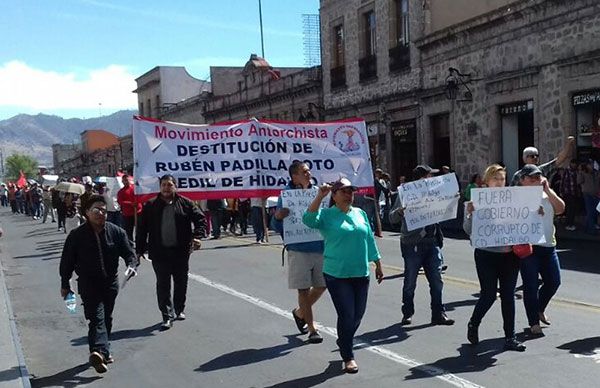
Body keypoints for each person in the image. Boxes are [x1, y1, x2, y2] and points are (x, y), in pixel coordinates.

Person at [303, 178, 383, 374]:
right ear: (335, 195)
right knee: (346, 314)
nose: (349, 195)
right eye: (344, 191)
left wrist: (378, 263)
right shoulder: (327, 215)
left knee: (357, 315)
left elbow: (369, 239)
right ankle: (348, 355)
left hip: (360, 272)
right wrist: (319, 196)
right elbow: (308, 219)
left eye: (351, 191)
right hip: (336, 274)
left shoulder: (360, 213)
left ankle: (343, 339)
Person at [59, 194, 138, 374]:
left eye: (104, 210)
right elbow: (67, 262)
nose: (101, 213)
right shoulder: (76, 236)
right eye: (96, 210)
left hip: (110, 282)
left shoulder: (116, 232)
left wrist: (131, 266)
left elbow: (129, 253)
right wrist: (65, 283)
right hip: (88, 284)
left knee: (106, 317)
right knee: (96, 318)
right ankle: (98, 351)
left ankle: (102, 351)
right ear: (86, 212)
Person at [463, 164, 526, 351]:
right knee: (489, 294)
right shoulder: (476, 201)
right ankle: (474, 323)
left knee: (508, 296)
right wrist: (470, 214)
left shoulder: (512, 200)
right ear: (487, 181)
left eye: (502, 179)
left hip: (509, 255)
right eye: (495, 179)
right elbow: (467, 230)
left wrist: (535, 214)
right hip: (486, 255)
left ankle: (510, 337)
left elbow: (524, 220)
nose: (499, 182)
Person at [136, 174, 206, 330]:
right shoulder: (150, 205)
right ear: (160, 187)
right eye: (163, 185)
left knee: (181, 282)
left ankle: (179, 309)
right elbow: (141, 229)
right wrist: (139, 250)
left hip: (181, 251)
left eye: (169, 185)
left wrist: (197, 236)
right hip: (159, 252)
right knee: (163, 284)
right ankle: (166, 316)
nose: (166, 188)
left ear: (175, 186)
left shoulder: (186, 203)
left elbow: (200, 219)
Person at [389, 165, 455, 326]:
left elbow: (446, 211)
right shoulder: (405, 193)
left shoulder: (435, 193)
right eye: (428, 176)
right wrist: (399, 212)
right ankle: (407, 313)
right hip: (412, 244)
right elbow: (391, 218)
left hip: (432, 242)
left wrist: (453, 199)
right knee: (410, 280)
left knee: (437, 281)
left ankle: (439, 313)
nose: (432, 179)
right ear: (421, 178)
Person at [273, 161, 326, 343]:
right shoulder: (286, 195)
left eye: (309, 171)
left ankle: (300, 312)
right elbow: (277, 223)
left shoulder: (318, 191)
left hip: (319, 246)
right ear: (294, 176)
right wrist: (278, 217)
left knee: (322, 285)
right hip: (298, 248)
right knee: (303, 289)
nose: (308, 174)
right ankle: (312, 329)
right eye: (304, 171)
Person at [519, 164, 565, 336]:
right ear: (523, 180)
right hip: (529, 248)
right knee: (530, 286)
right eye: (531, 177)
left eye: (538, 177)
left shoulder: (547, 195)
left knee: (554, 281)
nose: (535, 180)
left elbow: (560, 209)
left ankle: (539, 308)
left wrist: (548, 189)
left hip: (548, 246)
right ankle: (533, 322)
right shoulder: (516, 197)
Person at [510, 136, 575, 186]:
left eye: (537, 155)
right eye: (532, 156)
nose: (535, 157)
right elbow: (511, 192)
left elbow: (559, 160)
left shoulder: (542, 170)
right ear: (525, 158)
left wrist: (568, 144)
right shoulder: (518, 175)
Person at [577, 161, 600, 234]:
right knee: (590, 211)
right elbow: (578, 181)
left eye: (592, 165)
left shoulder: (596, 173)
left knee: (595, 211)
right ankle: (591, 229)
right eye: (590, 165)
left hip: (596, 194)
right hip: (587, 194)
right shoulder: (583, 173)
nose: (591, 166)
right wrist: (580, 172)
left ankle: (586, 227)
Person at [117, 175, 142, 242]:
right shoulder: (121, 192)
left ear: (130, 180)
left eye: (127, 180)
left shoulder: (136, 188)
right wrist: (131, 203)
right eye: (124, 180)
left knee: (140, 230)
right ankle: (130, 243)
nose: (126, 182)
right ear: (122, 181)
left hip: (138, 212)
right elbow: (120, 202)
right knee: (128, 231)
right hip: (127, 214)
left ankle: (140, 243)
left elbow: (141, 196)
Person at [559, 160, 580, 231]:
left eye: (575, 164)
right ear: (571, 163)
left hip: (574, 192)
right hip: (567, 192)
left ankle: (571, 223)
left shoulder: (576, 171)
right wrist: (561, 191)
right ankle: (568, 224)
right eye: (573, 164)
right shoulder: (566, 171)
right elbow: (562, 181)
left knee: (573, 209)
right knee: (570, 208)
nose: (574, 165)